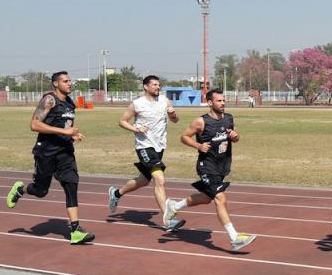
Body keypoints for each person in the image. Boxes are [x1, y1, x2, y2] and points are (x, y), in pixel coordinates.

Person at [6, 71, 94, 244]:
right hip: (46, 151)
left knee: (71, 184)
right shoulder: (49, 100)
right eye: (65, 81)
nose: (70, 84)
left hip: (65, 152)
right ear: (55, 84)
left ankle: (75, 230)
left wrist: (72, 135)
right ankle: (20, 190)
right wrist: (64, 132)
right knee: (41, 191)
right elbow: (34, 124)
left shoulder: (70, 103)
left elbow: (67, 125)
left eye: (70, 81)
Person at [165, 88, 256, 251]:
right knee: (220, 198)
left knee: (207, 198)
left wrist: (235, 137)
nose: (223, 103)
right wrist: (198, 145)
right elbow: (184, 137)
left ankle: (174, 206)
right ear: (210, 102)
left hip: (222, 165)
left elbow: (233, 138)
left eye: (223, 100)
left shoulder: (228, 118)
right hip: (206, 166)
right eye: (219, 101)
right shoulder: (201, 121)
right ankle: (234, 237)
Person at [108, 75, 184, 231]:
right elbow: (122, 121)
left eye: (159, 85)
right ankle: (168, 219)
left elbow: (175, 120)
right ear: (146, 87)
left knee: (144, 180)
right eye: (154, 85)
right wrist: (136, 129)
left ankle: (116, 193)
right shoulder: (137, 104)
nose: (157, 87)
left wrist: (172, 114)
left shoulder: (164, 101)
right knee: (160, 179)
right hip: (144, 146)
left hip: (159, 146)